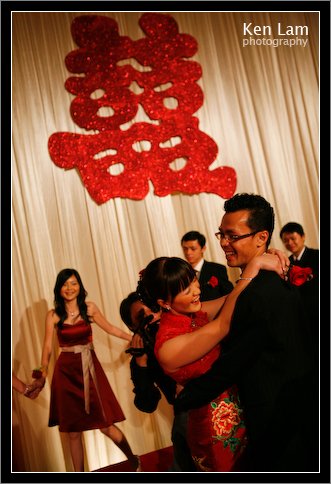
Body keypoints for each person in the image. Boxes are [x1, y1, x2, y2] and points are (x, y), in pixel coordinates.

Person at [175, 193, 318, 472]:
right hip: (296, 411)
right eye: (221, 235)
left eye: (232, 236)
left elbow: (234, 363)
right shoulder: (272, 278)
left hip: (279, 419)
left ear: (261, 237)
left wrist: (186, 397)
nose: (224, 243)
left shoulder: (259, 293)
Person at [137, 249, 287, 472]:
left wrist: (264, 262)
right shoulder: (168, 346)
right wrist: (254, 266)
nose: (196, 291)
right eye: (186, 289)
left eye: (194, 282)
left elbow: (231, 299)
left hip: (241, 409)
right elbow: (223, 325)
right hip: (215, 430)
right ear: (164, 302)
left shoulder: (195, 313)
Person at [31, 268, 141, 472]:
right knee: (73, 432)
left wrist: (134, 338)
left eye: (73, 283)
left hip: (90, 370)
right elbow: (47, 347)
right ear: (59, 288)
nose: (69, 288)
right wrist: (42, 372)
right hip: (65, 372)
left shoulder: (89, 309)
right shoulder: (53, 315)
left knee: (106, 425)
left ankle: (133, 459)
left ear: (80, 286)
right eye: (65, 284)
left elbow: (111, 329)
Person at [120, 292, 196, 471]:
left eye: (153, 309)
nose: (151, 317)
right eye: (141, 316)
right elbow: (147, 404)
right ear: (133, 326)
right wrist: (141, 363)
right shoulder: (141, 357)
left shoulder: (184, 324)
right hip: (186, 412)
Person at [280, 222, 319, 355]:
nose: (290, 242)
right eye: (286, 240)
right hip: (301, 316)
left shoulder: (317, 256)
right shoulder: (286, 263)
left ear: (303, 237)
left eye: (293, 238)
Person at [181, 231, 233, 301]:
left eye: (193, 249)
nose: (188, 252)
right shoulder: (182, 273)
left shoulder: (217, 269)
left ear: (203, 248)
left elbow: (229, 295)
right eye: (185, 249)